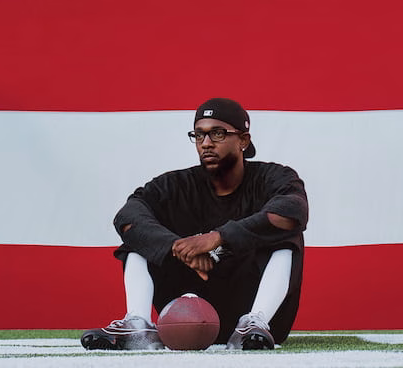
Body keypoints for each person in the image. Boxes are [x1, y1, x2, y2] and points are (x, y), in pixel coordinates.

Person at [81, 98, 308, 351]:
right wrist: (176, 247)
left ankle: (257, 321)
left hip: (249, 306)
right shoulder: (176, 185)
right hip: (185, 304)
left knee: (284, 234)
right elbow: (127, 217)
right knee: (138, 237)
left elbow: (291, 212)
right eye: (199, 135)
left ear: (243, 140)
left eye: (218, 134)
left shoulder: (273, 177)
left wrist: (217, 238)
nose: (206, 143)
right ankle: (138, 324)